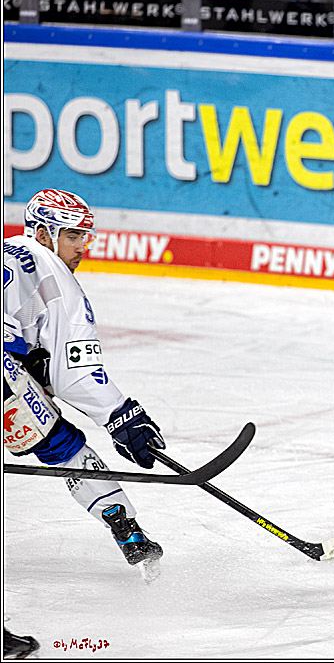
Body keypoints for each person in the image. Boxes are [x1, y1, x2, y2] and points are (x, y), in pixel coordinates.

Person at [3, 189, 166, 573]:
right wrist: (121, 416)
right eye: (72, 236)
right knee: (61, 444)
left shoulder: (8, 248)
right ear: (43, 235)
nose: (81, 247)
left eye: (84, 237)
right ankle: (127, 530)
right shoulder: (57, 279)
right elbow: (75, 374)